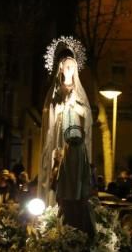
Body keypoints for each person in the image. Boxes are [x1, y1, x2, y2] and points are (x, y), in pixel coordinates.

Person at [38, 40, 93, 232]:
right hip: (59, 138)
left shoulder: (79, 93)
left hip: (74, 144)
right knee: (57, 172)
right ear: (60, 67)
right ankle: (55, 211)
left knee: (73, 175)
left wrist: (74, 104)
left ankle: (73, 208)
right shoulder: (55, 92)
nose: (69, 69)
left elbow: (87, 115)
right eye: (66, 65)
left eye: (72, 66)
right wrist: (61, 105)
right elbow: (49, 114)